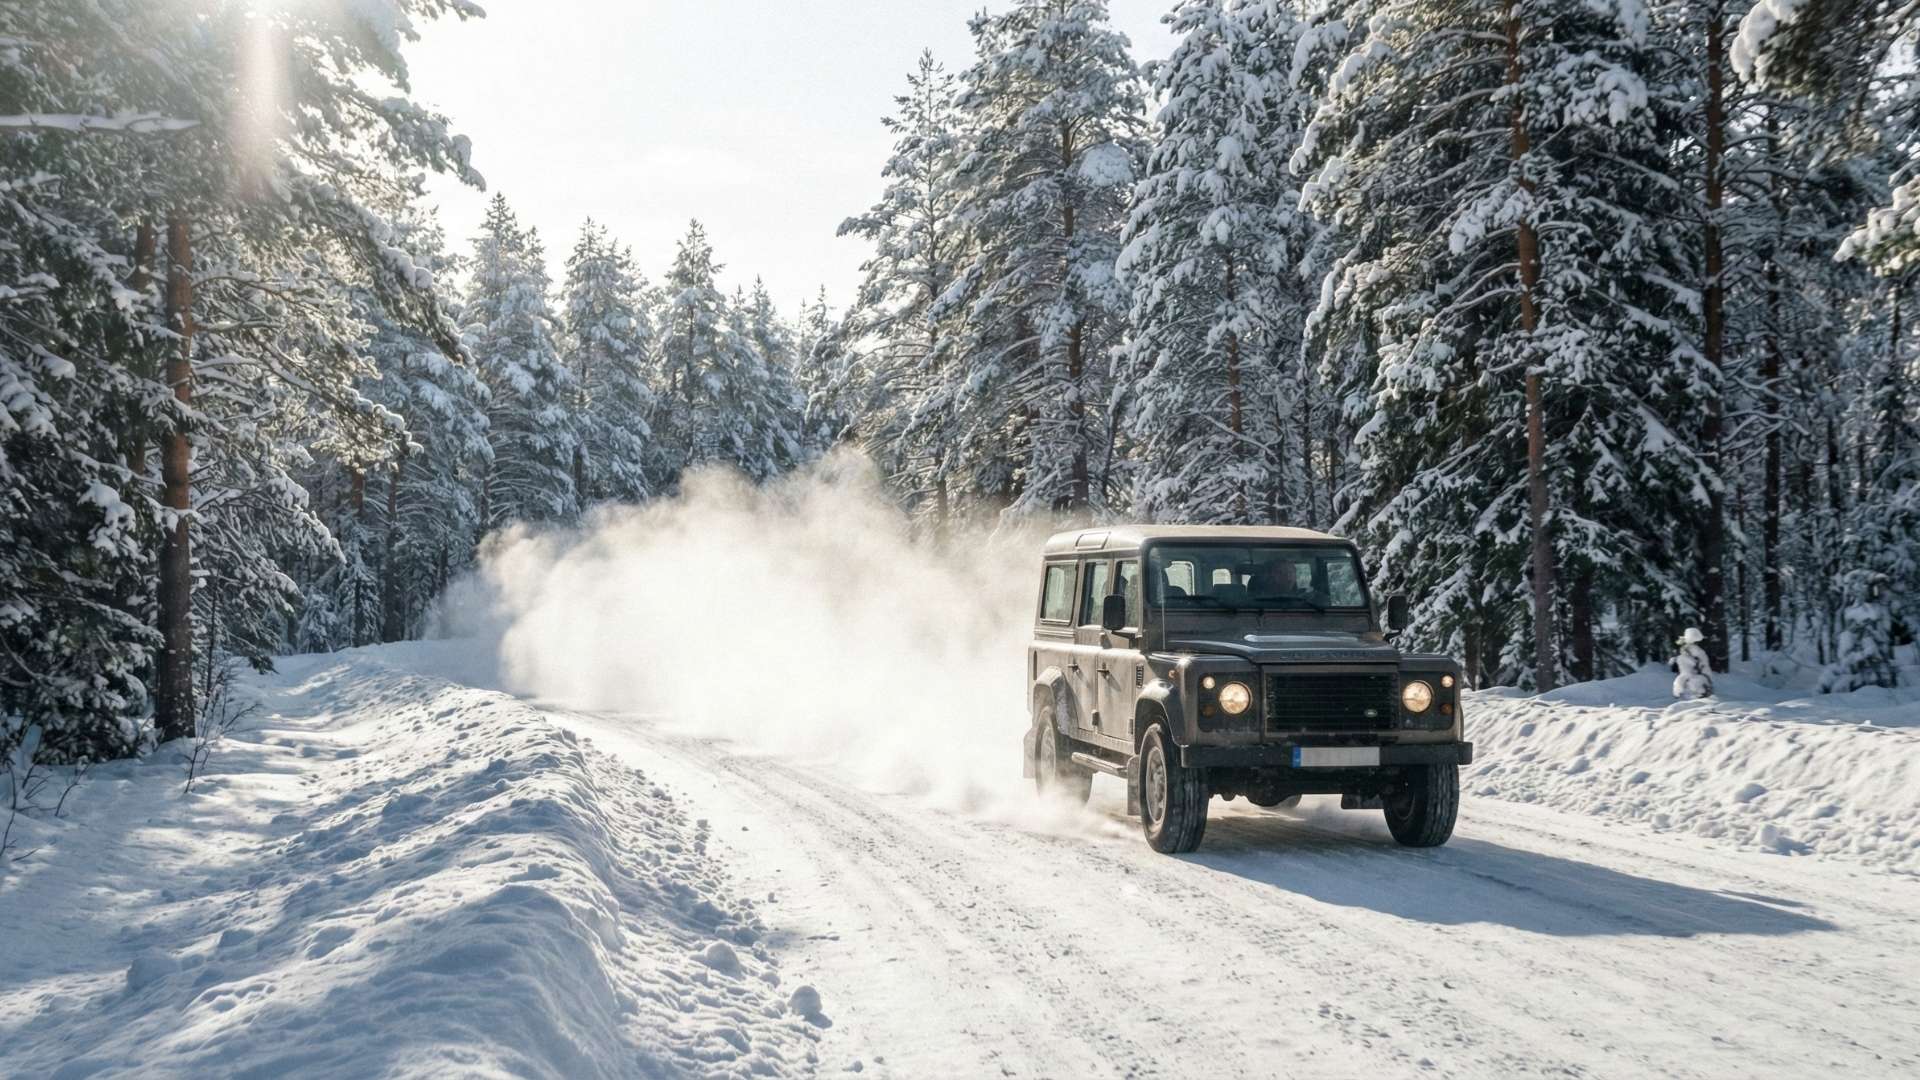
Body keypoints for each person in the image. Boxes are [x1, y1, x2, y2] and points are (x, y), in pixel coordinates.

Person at [1671, 627, 1713, 699]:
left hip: (1690, 679)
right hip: (1694, 679)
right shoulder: (1697, 651)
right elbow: (1704, 666)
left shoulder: (1685, 652)